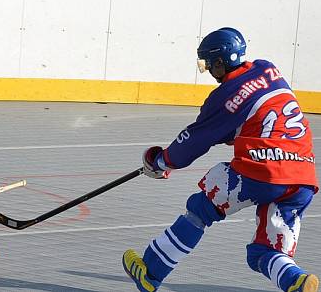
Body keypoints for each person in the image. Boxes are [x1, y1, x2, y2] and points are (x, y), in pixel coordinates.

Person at [122, 27, 318, 292]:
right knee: (265, 251)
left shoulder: (224, 95)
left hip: (261, 170)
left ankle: (150, 271)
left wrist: (161, 162)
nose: (209, 72)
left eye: (207, 65)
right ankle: (295, 280)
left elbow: (195, 139)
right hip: (303, 174)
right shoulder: (267, 69)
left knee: (201, 210)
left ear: (219, 62)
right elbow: (247, 120)